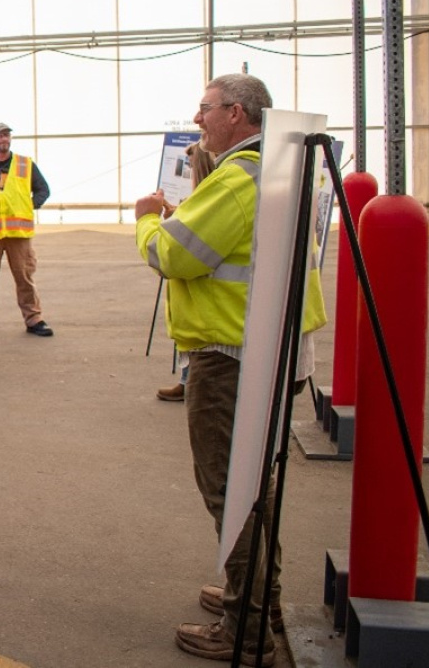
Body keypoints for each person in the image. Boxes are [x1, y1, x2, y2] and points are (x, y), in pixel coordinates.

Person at [134, 73, 326, 667]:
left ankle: (245, 632)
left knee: (231, 490)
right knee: (253, 486)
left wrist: (148, 220)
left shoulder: (239, 178)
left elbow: (176, 254)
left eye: (205, 108)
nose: (198, 119)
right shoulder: (279, 168)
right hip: (269, 346)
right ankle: (256, 599)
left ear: (238, 114)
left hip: (231, 352)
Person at [0, 122, 54, 338]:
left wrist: (30, 205)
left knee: (24, 277)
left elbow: (43, 189)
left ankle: (34, 318)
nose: (4, 139)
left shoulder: (25, 164)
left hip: (18, 233)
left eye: (7, 135)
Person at [158, 141, 217, 403]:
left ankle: (188, 381)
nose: (188, 170)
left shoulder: (209, 197)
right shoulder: (200, 197)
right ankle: (186, 379)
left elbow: (176, 254)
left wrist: (148, 221)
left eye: (192, 166)